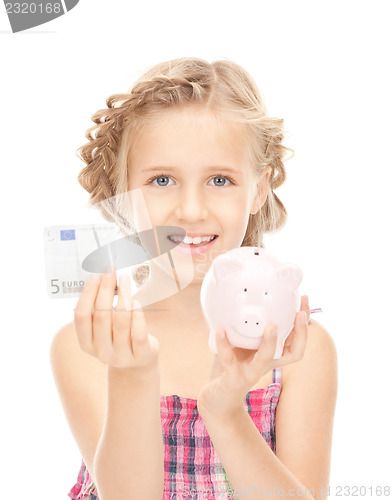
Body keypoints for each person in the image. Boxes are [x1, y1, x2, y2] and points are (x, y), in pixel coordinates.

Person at [50, 57, 338, 500]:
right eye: (162, 179)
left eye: (219, 180)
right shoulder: (88, 345)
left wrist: (225, 412)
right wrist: (133, 373)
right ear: (123, 193)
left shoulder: (299, 349)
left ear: (258, 189)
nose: (191, 210)